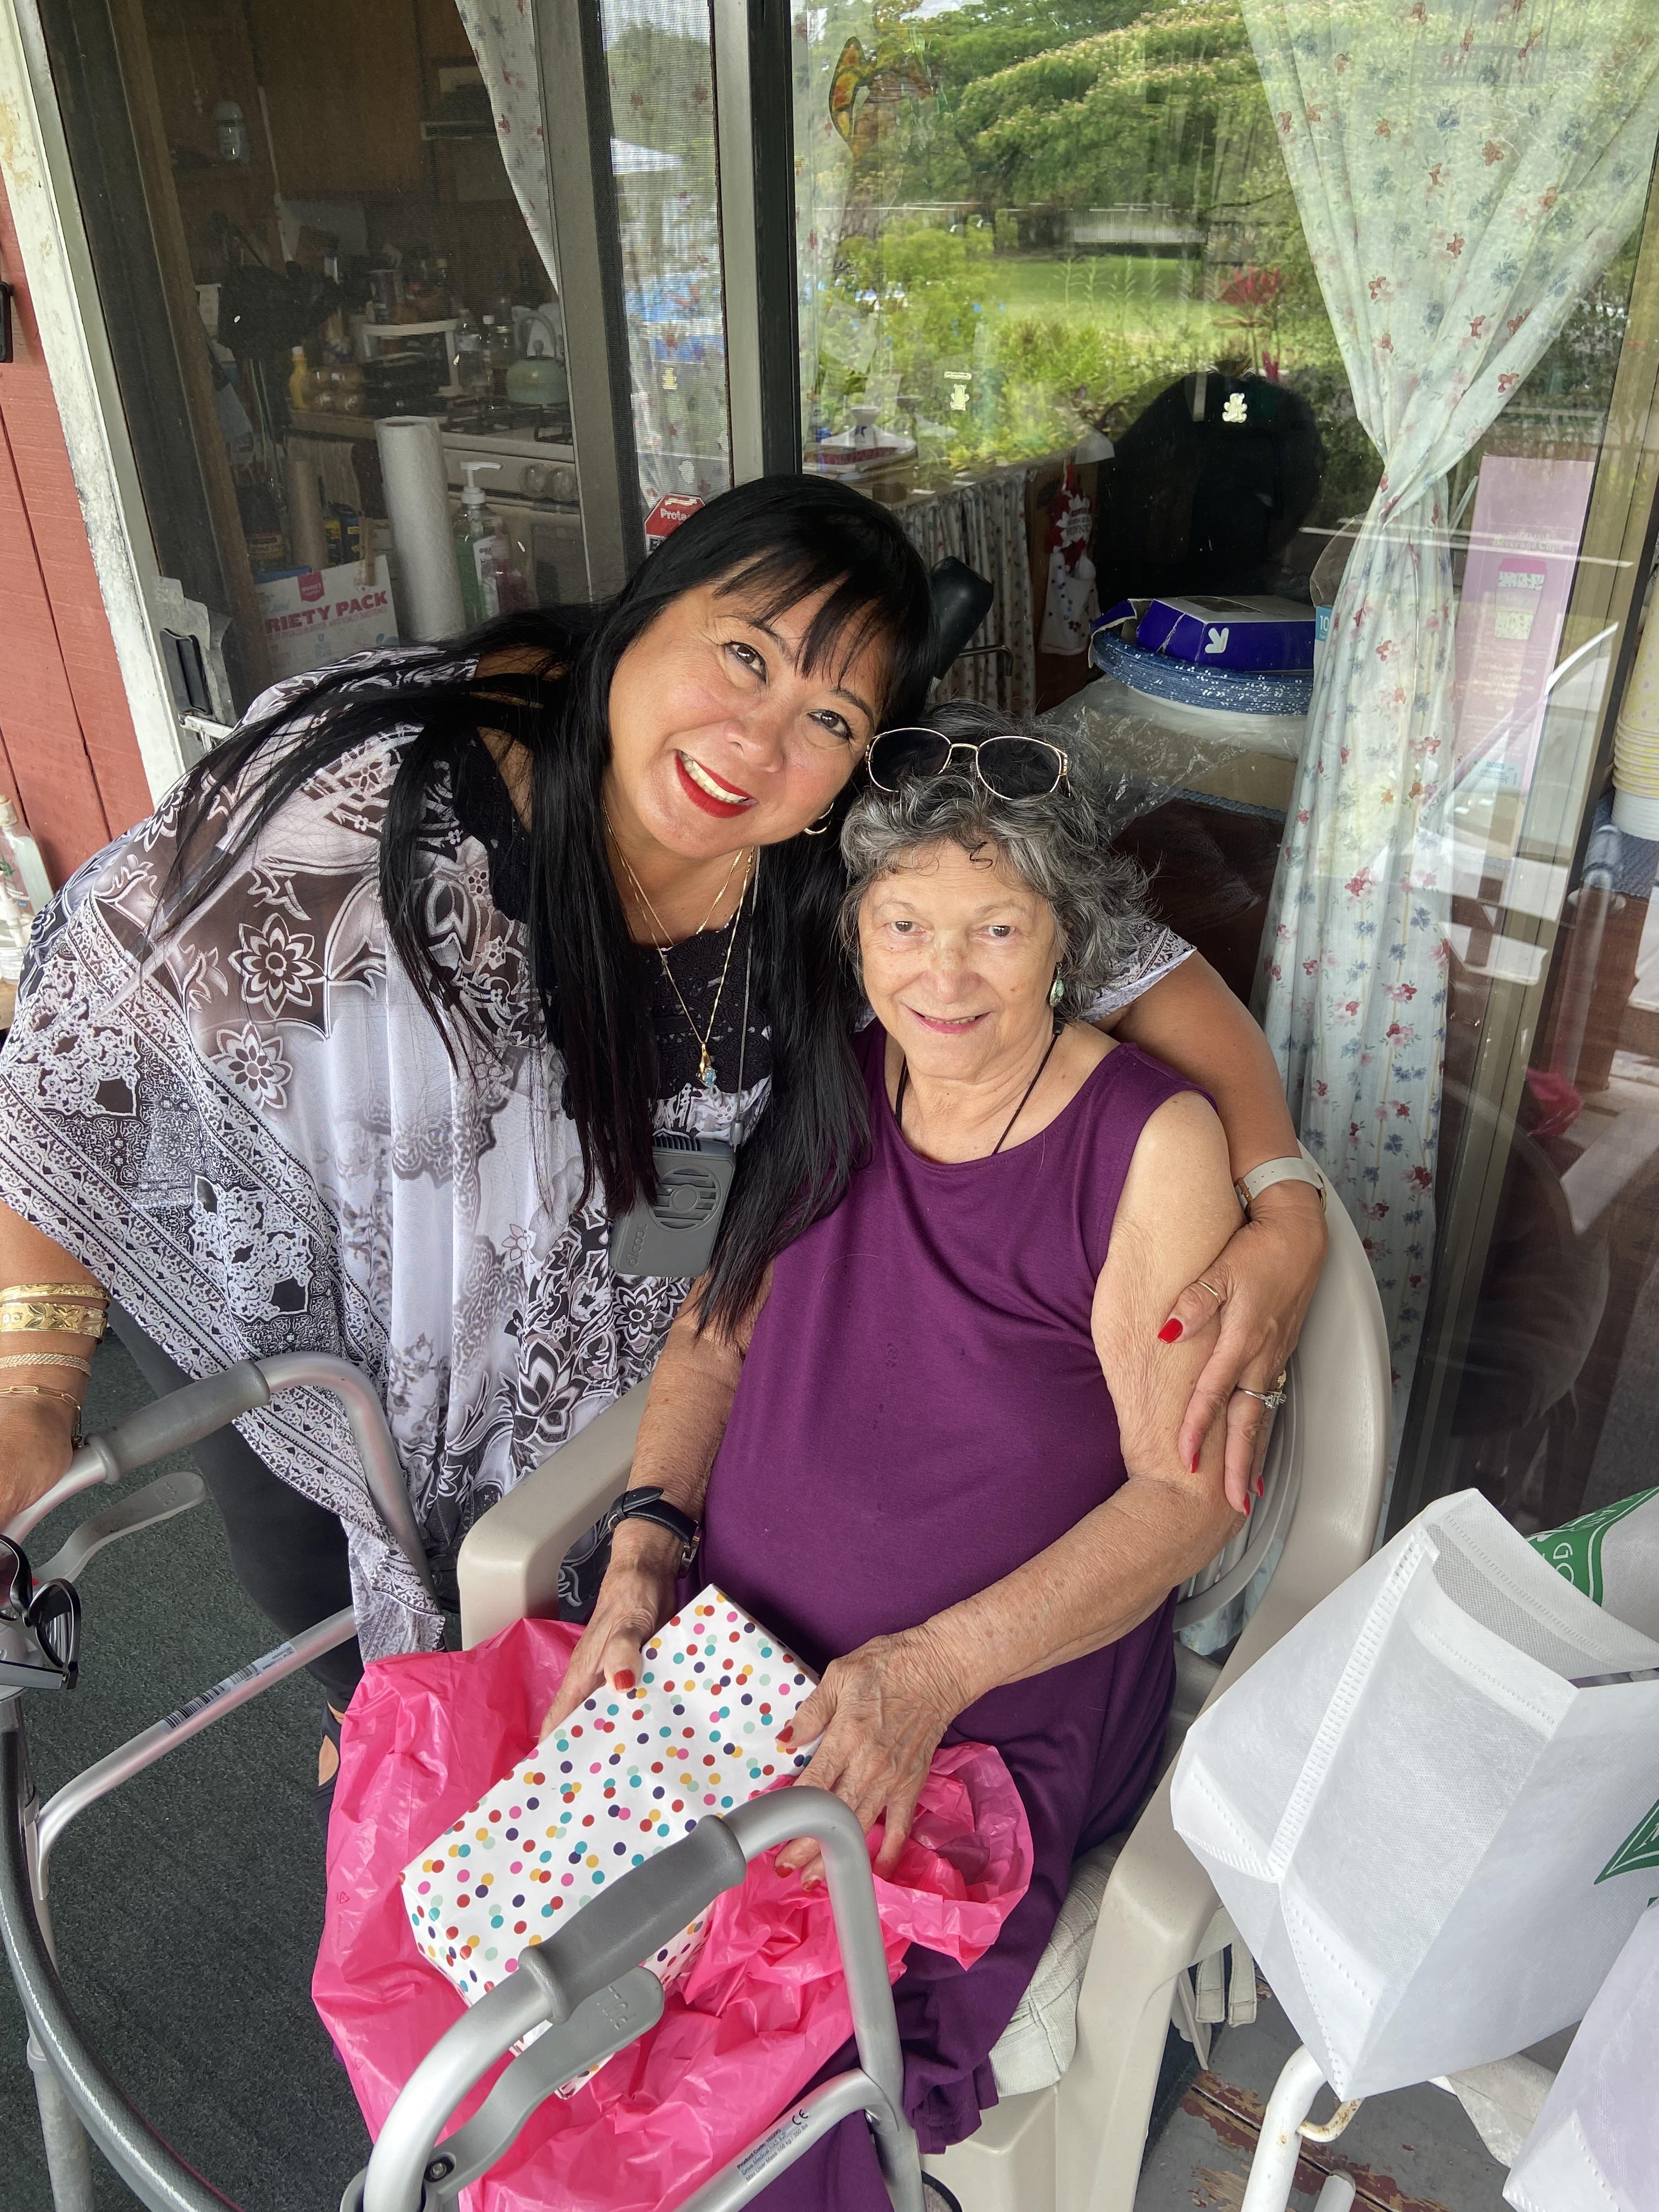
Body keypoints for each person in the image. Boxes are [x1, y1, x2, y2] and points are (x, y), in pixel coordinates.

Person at [0, 478, 1320, 1812]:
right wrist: (36, 1381)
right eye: (742, 654)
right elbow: (91, 1043)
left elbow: (1142, 972)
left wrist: (1285, 1198)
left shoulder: (837, 876)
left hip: (634, 1384)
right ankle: (378, 1723)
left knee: (556, 1640)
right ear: (642, 617)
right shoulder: (370, 803)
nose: (756, 740)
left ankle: (462, 1729)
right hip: (333, 1330)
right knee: (333, 1596)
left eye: (828, 718)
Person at [550, 707, 1254, 2207]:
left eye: (996, 927)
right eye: (906, 922)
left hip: (996, 1697)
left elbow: (1187, 1497)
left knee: (785, 2075)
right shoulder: (832, 1077)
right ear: (859, 936)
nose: (946, 973)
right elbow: (712, 1331)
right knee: (510, 1933)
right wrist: (640, 1549)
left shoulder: (1152, 1140)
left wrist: (930, 1671)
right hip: (740, 1656)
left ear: (1065, 939)